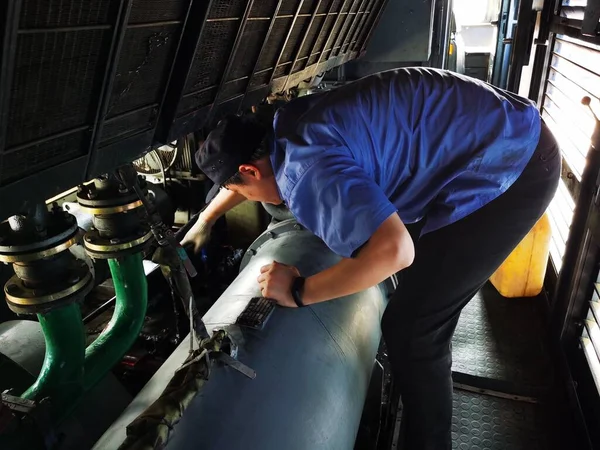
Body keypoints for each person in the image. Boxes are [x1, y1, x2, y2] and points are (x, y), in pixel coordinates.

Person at [181, 68, 560, 449]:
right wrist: (206, 220)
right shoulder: (286, 124)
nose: (245, 197)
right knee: (412, 280)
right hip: (500, 128)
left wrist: (299, 290)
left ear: (249, 168)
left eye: (237, 189)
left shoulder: (307, 172)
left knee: (413, 329)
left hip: (514, 165)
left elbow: (397, 250)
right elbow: (247, 178)